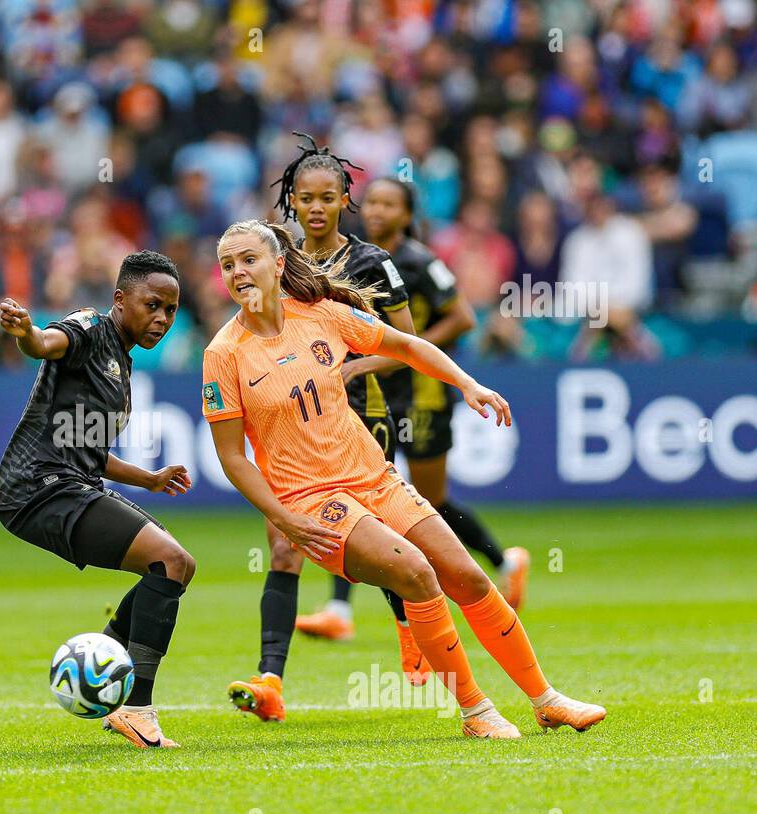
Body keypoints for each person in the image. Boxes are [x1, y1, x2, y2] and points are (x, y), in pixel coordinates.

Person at [209, 219, 605, 737]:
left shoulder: (322, 315)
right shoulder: (223, 354)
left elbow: (409, 346)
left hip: (374, 477)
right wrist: (284, 519)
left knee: (465, 576)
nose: (238, 271)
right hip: (310, 502)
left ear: (278, 263)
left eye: (248, 259)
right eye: (227, 264)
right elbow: (233, 458)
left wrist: (468, 384)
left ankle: (546, 699)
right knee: (417, 574)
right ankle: (476, 711)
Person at [239, 135, 418, 718]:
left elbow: (407, 346)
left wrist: (348, 368)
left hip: (361, 419)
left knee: (387, 543)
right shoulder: (276, 259)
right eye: (304, 198)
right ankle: (271, 683)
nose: (315, 208)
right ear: (290, 200)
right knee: (283, 545)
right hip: (291, 430)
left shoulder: (373, 263)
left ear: (345, 199)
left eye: (327, 198)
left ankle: (411, 633)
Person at [0, 251, 194, 749]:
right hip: (36, 487)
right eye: (152, 305)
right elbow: (46, 344)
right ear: (120, 300)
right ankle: (137, 709)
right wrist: (26, 333)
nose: (162, 319)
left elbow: (83, 443)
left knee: (173, 565)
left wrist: (146, 479)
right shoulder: (89, 328)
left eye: (171, 310)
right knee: (168, 559)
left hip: (70, 480)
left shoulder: (120, 365)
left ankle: (105, 680)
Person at [360, 177, 530, 635]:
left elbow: (463, 318)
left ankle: (500, 560)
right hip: (373, 394)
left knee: (430, 501)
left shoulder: (421, 263)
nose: (376, 211)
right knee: (369, 497)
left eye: (388, 204)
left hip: (423, 395)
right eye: (371, 202)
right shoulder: (353, 259)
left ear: (407, 214)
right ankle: (342, 611)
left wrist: (407, 349)